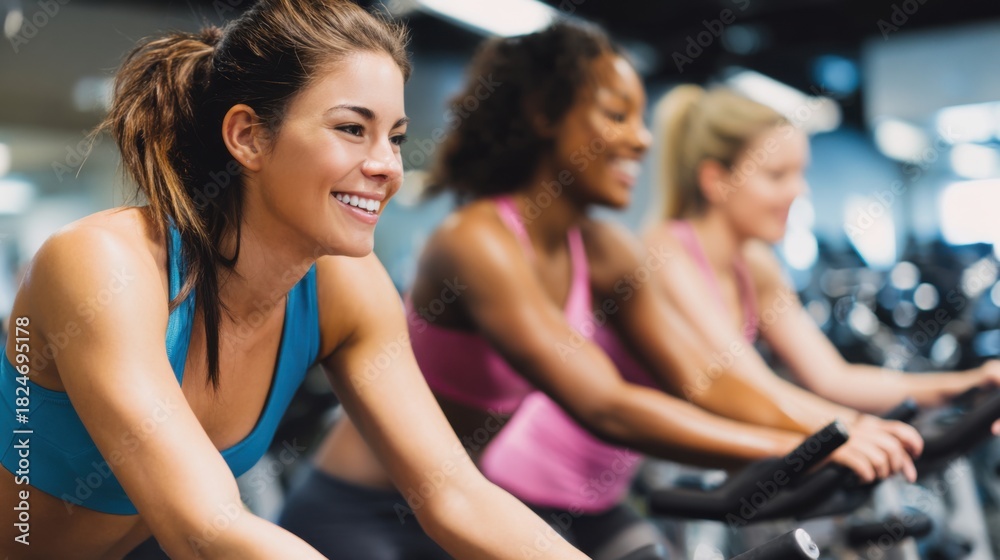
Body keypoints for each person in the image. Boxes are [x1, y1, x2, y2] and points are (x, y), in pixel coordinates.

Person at [287, 21, 922, 560]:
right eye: (616, 115)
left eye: (642, 118)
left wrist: (839, 429)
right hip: (362, 513)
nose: (641, 139)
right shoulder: (476, 242)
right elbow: (605, 404)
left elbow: (706, 378)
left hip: (466, 501)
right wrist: (800, 450)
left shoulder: (602, 247)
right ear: (545, 115)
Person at [0, 2, 590, 559]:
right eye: (353, 129)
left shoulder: (346, 285)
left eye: (396, 136)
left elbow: (456, 495)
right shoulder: (103, 264)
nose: (388, 165)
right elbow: (204, 528)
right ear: (248, 137)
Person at [642, 85, 1000, 421]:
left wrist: (966, 385)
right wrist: (851, 428)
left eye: (800, 173)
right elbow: (748, 385)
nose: (799, 190)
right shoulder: (666, 253)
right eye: (777, 175)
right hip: (617, 478)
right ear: (715, 180)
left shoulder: (755, 268)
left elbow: (834, 379)